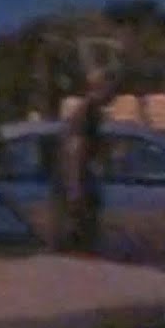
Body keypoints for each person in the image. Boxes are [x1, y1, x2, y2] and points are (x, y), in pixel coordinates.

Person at [50, 67, 111, 254]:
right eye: (107, 86)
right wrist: (75, 190)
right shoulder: (88, 111)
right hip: (82, 187)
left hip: (82, 184)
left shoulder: (90, 110)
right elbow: (75, 149)